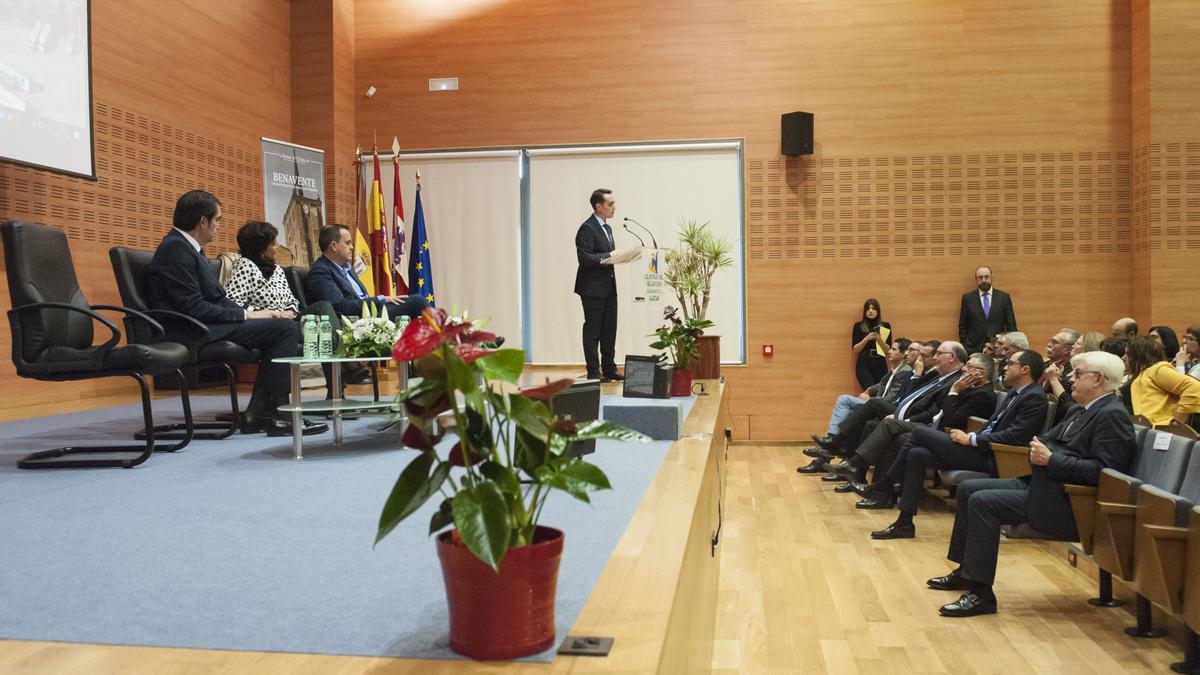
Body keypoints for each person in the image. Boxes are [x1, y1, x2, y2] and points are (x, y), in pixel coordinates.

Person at [929, 351, 1135, 617]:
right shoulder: (1079, 410)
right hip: (1044, 485)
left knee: (983, 502)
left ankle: (981, 594)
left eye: (1077, 374)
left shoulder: (1112, 415)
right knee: (970, 489)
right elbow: (1043, 440)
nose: (1070, 378)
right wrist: (1045, 454)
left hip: (1068, 500)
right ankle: (966, 572)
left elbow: (1105, 471)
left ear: (1097, 379)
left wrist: (1051, 460)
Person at [144, 190, 327, 437]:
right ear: (203, 222)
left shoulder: (188, 249)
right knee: (284, 329)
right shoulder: (175, 250)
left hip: (203, 324)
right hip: (188, 330)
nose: (219, 226)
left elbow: (217, 300)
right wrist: (247, 316)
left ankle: (257, 413)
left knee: (279, 326)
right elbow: (194, 307)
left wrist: (256, 314)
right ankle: (282, 414)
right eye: (217, 220)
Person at [867, 350, 1048, 536]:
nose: (1004, 367)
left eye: (1010, 363)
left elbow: (1014, 436)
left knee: (920, 432)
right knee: (917, 454)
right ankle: (904, 522)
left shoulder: (1034, 397)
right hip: (979, 448)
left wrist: (971, 439)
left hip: (994, 456)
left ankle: (883, 486)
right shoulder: (1014, 393)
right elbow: (992, 426)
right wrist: (971, 435)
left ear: (1025, 369)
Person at [225, 220, 357, 395]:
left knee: (324, 307)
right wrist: (267, 314)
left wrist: (290, 310)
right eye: (272, 243)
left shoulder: (278, 270)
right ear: (260, 246)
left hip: (290, 320)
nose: (276, 247)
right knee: (324, 332)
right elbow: (233, 303)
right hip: (265, 325)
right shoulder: (244, 266)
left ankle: (339, 372)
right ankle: (340, 380)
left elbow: (291, 300)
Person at [799, 338, 913, 474]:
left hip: (881, 406)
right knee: (846, 402)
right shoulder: (896, 369)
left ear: (903, 354)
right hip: (876, 403)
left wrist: (871, 398)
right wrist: (869, 390)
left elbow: (892, 398)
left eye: (894, 349)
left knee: (849, 405)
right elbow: (883, 384)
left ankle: (830, 446)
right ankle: (830, 447)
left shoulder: (905, 371)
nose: (888, 351)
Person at [304, 224, 428, 321]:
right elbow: (341, 307)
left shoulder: (348, 268)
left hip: (371, 312)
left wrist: (380, 301)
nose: (352, 247)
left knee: (414, 307)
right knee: (417, 302)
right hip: (358, 318)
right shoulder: (320, 272)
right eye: (347, 243)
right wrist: (380, 299)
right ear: (333, 246)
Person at [574, 188, 628, 382]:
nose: (614, 207)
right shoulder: (587, 228)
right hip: (592, 289)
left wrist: (620, 257)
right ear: (599, 206)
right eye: (610, 204)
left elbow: (607, 257)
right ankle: (593, 371)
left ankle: (609, 368)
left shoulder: (608, 228)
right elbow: (585, 258)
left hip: (609, 287)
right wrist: (610, 255)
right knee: (593, 330)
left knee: (609, 329)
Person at [1124, 336, 1200, 426]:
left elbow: (1194, 387)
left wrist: (1177, 422)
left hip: (1163, 431)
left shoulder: (1157, 369)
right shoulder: (1143, 374)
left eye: (1127, 354)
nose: (1124, 358)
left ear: (1138, 355)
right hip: (1149, 430)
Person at [958, 266, 1017, 354]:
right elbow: (963, 325)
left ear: (991, 277)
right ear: (976, 279)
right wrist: (966, 345)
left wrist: (1010, 346)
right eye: (980, 277)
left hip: (998, 347)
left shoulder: (1003, 297)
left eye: (986, 276)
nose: (984, 280)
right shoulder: (968, 298)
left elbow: (1011, 325)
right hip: (974, 347)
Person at [851, 299, 892, 389]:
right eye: (868, 309)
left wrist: (879, 339)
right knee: (869, 390)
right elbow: (855, 349)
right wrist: (866, 339)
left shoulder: (885, 326)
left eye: (873, 308)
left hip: (880, 362)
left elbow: (888, 350)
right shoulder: (858, 326)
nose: (870, 311)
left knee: (879, 391)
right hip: (864, 362)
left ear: (878, 311)